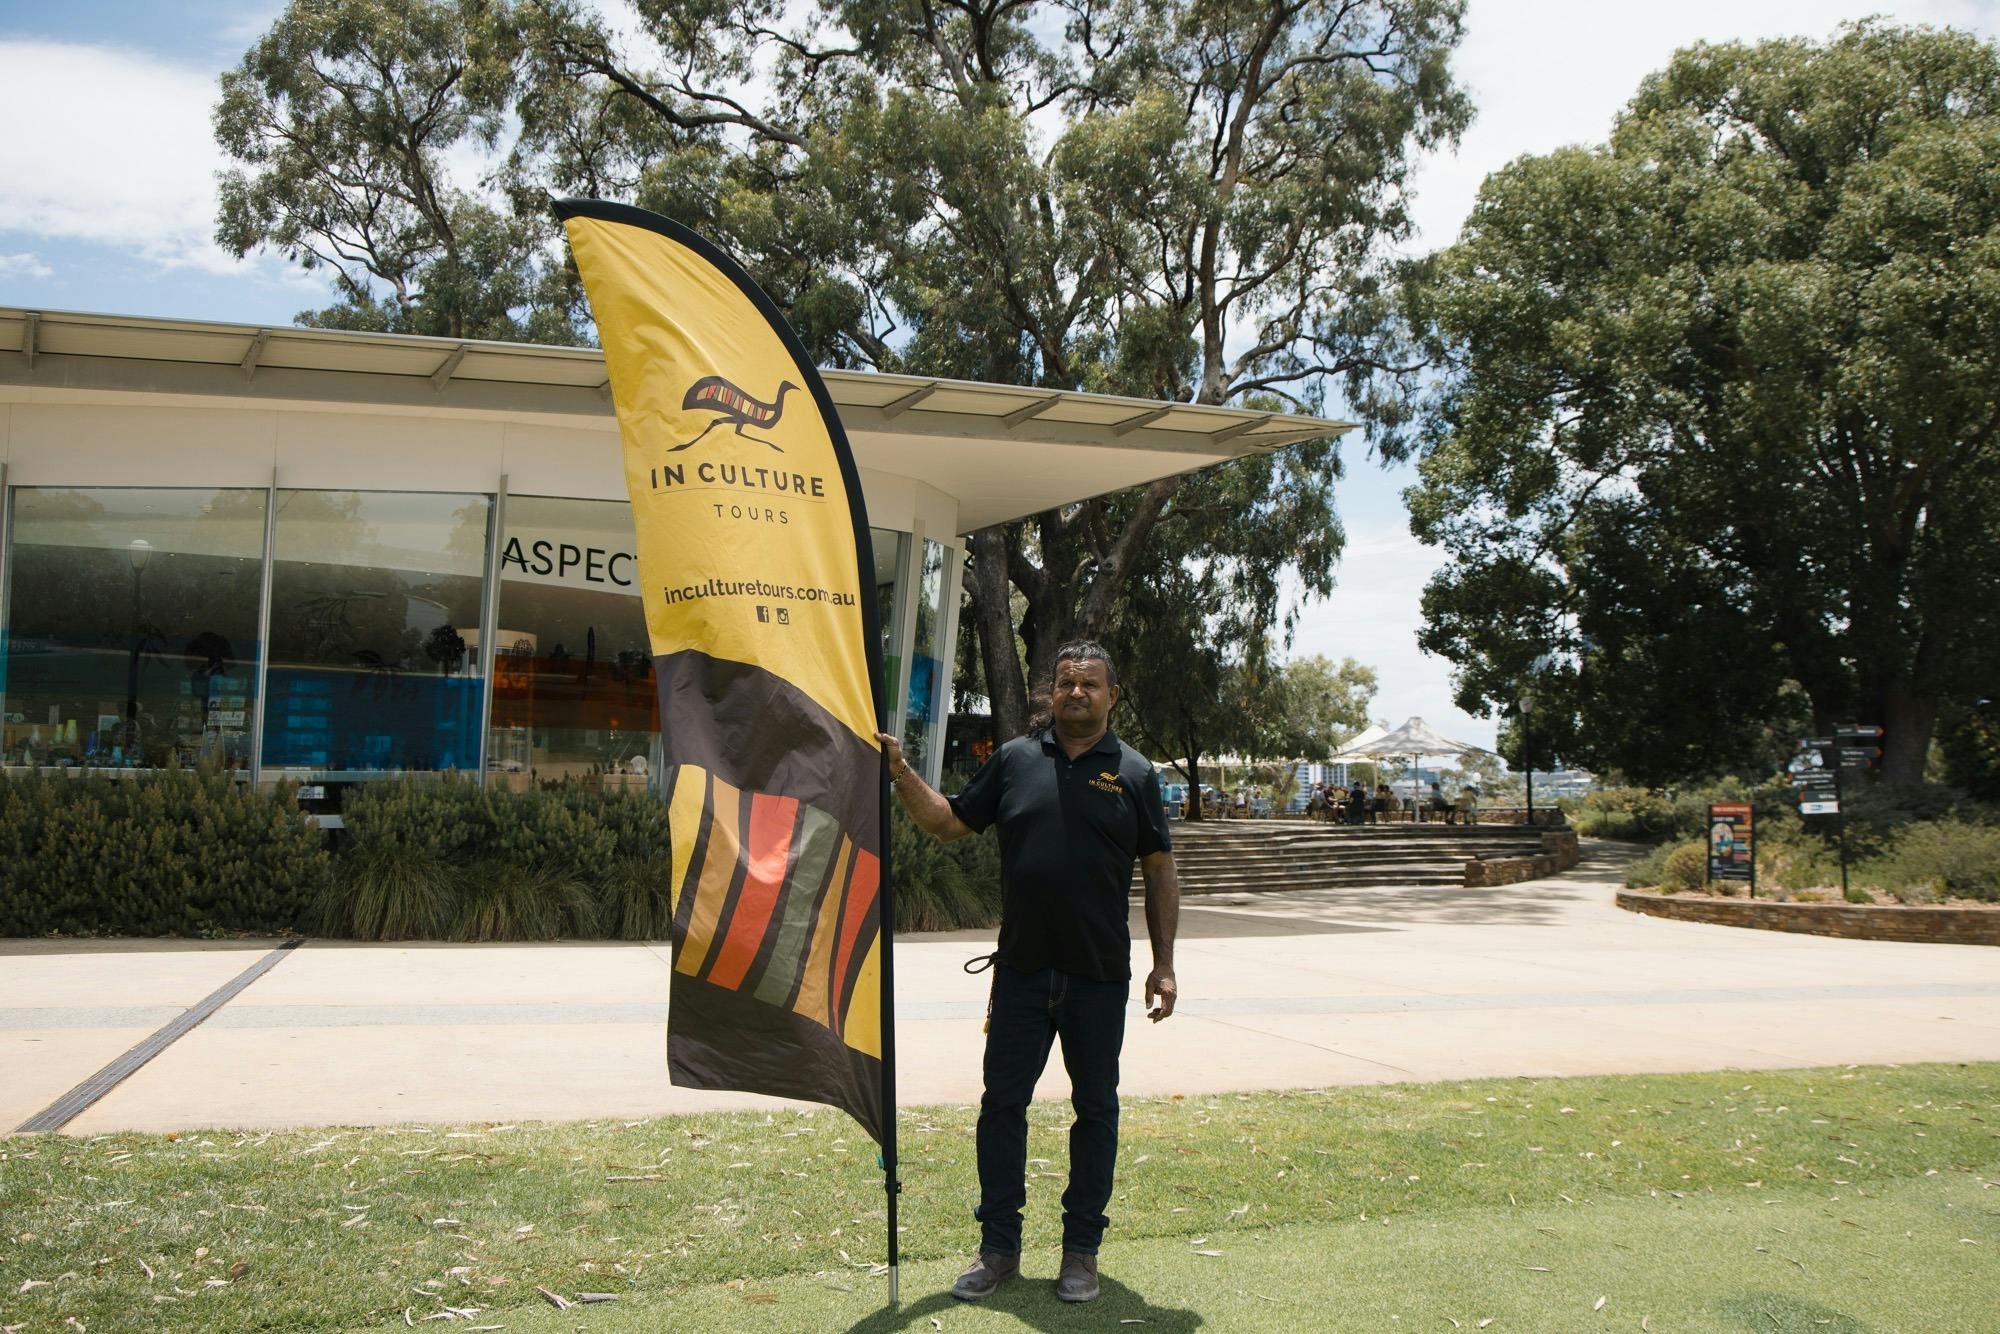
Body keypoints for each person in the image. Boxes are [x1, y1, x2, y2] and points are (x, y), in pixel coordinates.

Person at [881, 640, 1179, 1306]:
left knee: (1096, 1111)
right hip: (1020, 975)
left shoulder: (1133, 774)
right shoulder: (1014, 761)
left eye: (1090, 684)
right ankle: (998, 1252)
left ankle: (1081, 1254)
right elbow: (948, 822)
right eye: (1066, 682)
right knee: (1001, 1108)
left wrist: (1163, 964)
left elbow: (1159, 868)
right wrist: (899, 769)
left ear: (1112, 695)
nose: (1076, 693)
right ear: (1052, 691)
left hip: (1099, 977)